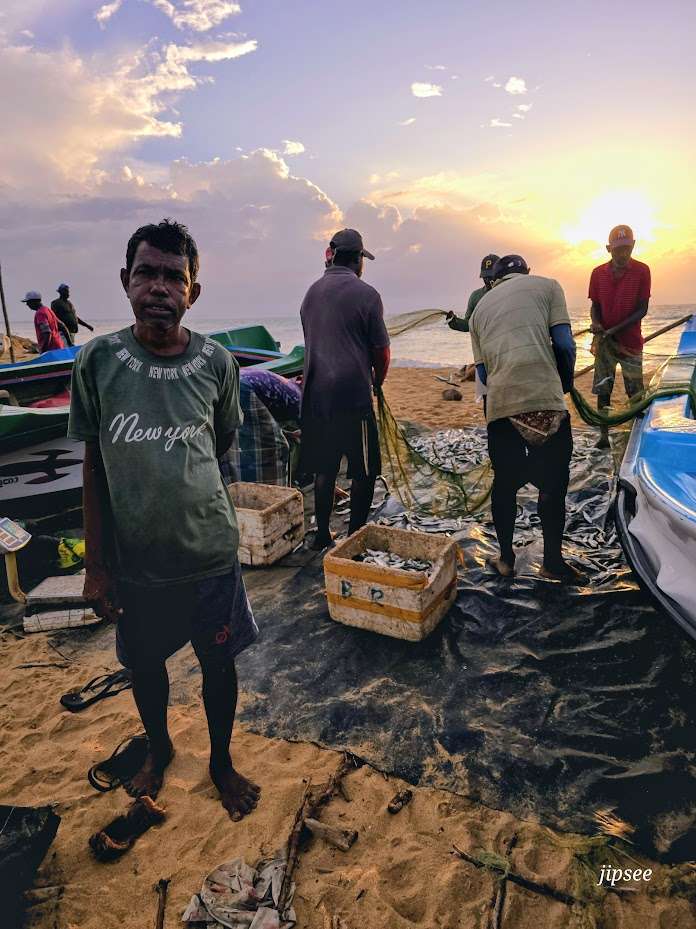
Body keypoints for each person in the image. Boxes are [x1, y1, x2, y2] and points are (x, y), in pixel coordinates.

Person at [68, 219, 260, 821]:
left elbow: (222, 440)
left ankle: (221, 763)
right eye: (146, 272)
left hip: (209, 555)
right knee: (145, 667)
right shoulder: (97, 361)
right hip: (137, 565)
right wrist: (97, 566)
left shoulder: (216, 364)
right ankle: (161, 748)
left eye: (174, 277)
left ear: (192, 292)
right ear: (126, 281)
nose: (159, 287)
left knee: (218, 665)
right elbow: (93, 466)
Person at [469, 255, 581, 582]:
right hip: (544, 402)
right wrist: (564, 384)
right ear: (526, 272)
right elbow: (564, 345)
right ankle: (552, 563)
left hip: (501, 405)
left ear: (495, 280)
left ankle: (505, 559)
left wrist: (495, 415)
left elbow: (483, 373)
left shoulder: (479, 312)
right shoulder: (548, 286)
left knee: (504, 485)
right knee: (553, 484)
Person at [299, 228, 390, 550]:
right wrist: (377, 381)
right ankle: (354, 537)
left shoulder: (310, 293)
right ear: (358, 260)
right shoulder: (367, 294)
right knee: (363, 471)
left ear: (331, 256)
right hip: (353, 397)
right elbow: (381, 351)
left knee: (325, 468)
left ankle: (322, 534)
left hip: (316, 397)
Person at [589, 225, 651, 448]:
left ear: (633, 246)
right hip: (605, 344)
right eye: (617, 250)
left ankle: (638, 435)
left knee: (635, 391)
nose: (622, 254)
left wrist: (614, 330)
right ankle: (604, 436)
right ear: (608, 249)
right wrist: (596, 324)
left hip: (631, 342)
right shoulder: (597, 273)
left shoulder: (643, 271)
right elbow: (595, 305)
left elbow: (642, 309)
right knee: (603, 389)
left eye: (626, 249)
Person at [446, 253, 500, 332]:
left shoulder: (511, 292)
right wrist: (454, 322)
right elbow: (468, 325)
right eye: (485, 277)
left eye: (491, 276)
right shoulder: (476, 296)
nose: (488, 280)